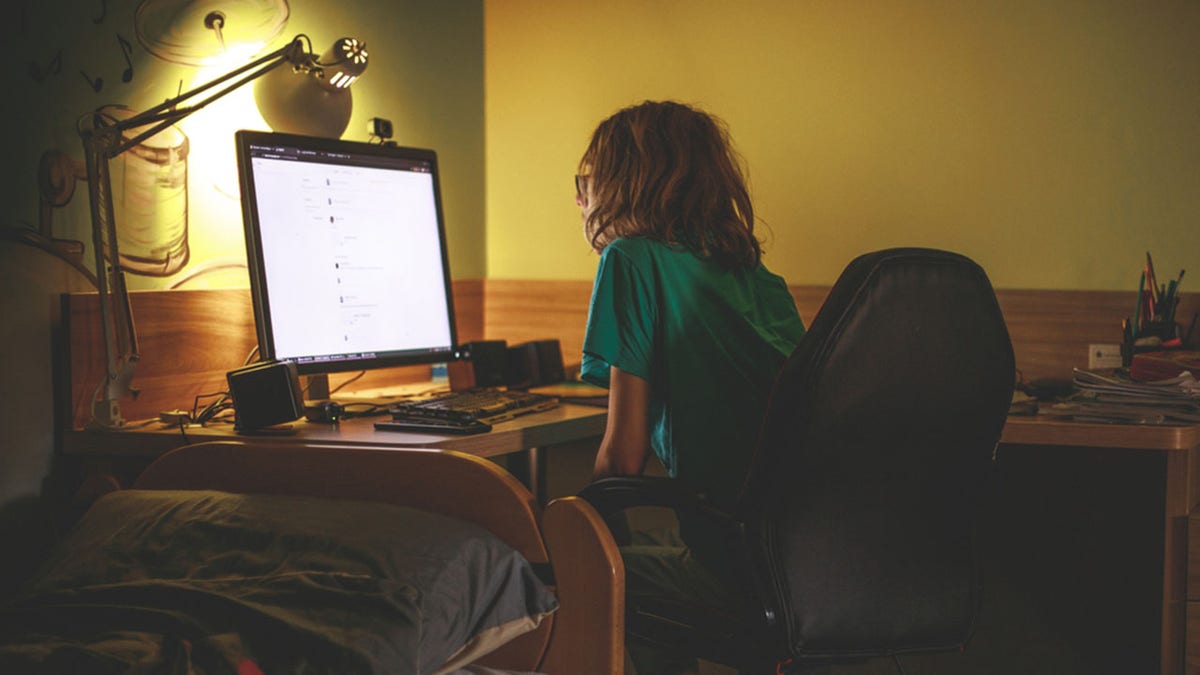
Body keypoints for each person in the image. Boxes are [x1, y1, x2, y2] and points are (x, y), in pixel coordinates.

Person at [576, 100, 807, 675]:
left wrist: (577, 524)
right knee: (644, 551)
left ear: (619, 184)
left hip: (738, 565)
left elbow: (623, 457)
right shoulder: (759, 277)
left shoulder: (630, 260)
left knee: (583, 564)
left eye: (586, 180)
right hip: (808, 562)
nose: (580, 195)